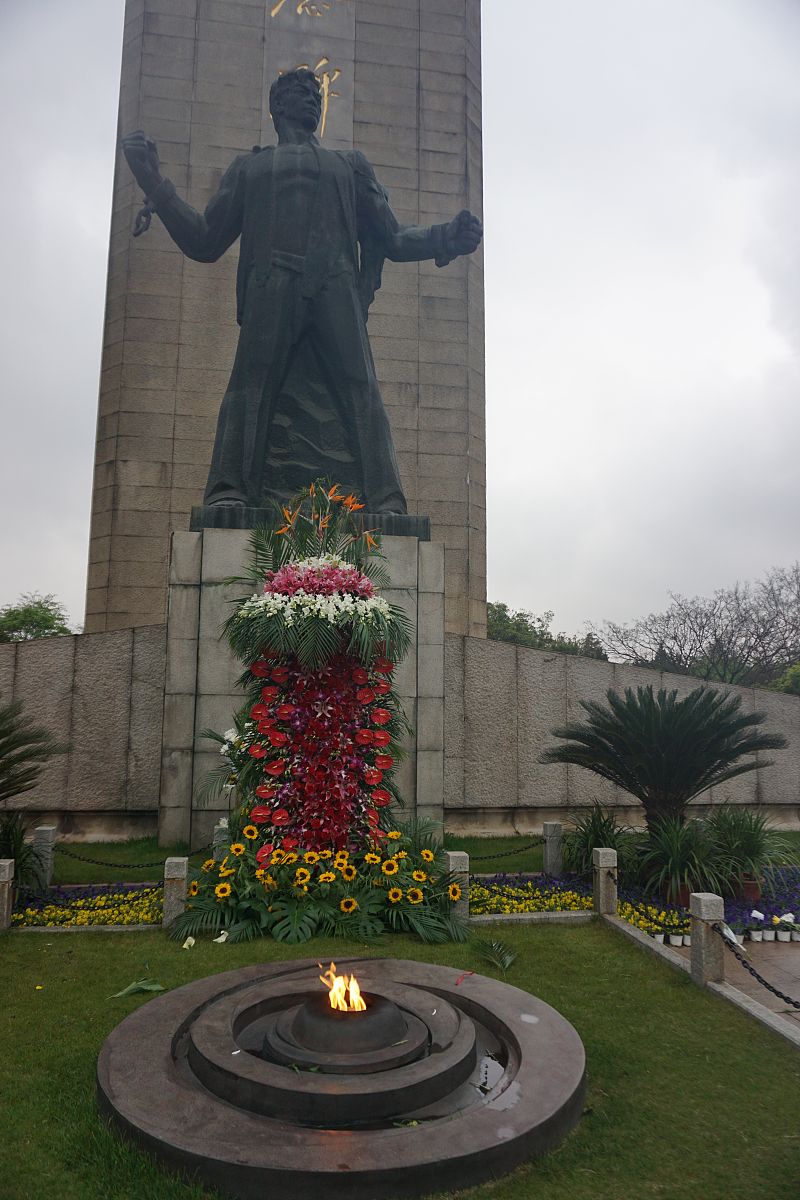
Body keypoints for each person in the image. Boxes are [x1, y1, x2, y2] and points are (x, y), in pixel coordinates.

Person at [122, 68, 482, 512]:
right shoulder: (250, 168)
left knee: (360, 385)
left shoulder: (349, 166)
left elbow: (391, 236)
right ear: (276, 107)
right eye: (299, 92)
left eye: (316, 93)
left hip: (335, 285)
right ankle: (228, 490)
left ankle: (386, 498)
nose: (312, 98)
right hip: (271, 284)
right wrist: (152, 182)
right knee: (250, 386)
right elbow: (203, 240)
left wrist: (446, 237)